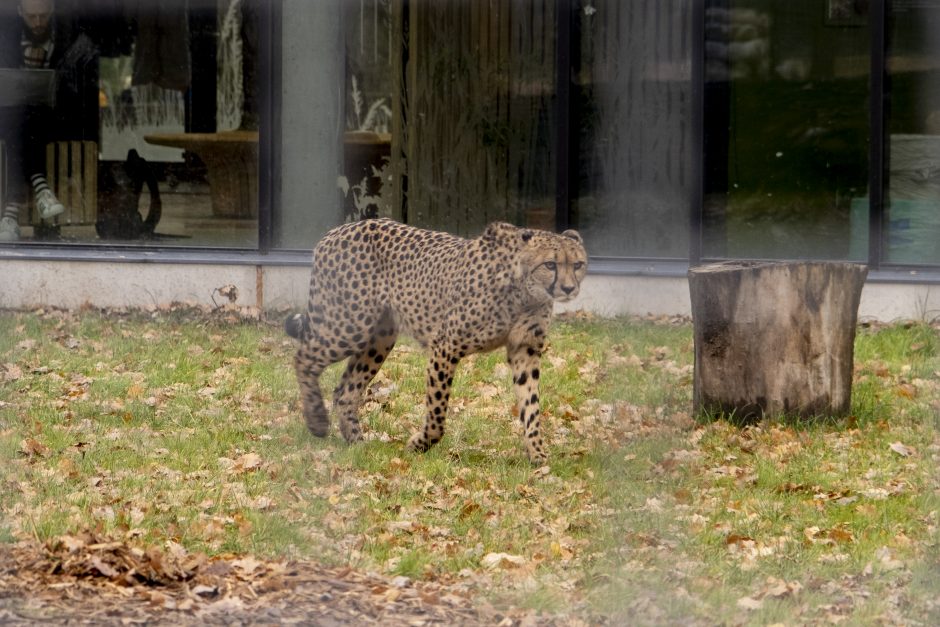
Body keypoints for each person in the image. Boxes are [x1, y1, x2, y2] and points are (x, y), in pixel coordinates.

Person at [0, 0, 96, 241]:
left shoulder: (72, 41)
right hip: (18, 121)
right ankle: (41, 187)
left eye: (43, 16)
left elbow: (84, 93)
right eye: (32, 17)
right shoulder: (5, 41)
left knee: (22, 121)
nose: (38, 22)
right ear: (21, 11)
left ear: (52, 11)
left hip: (57, 120)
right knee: (20, 117)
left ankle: (10, 214)